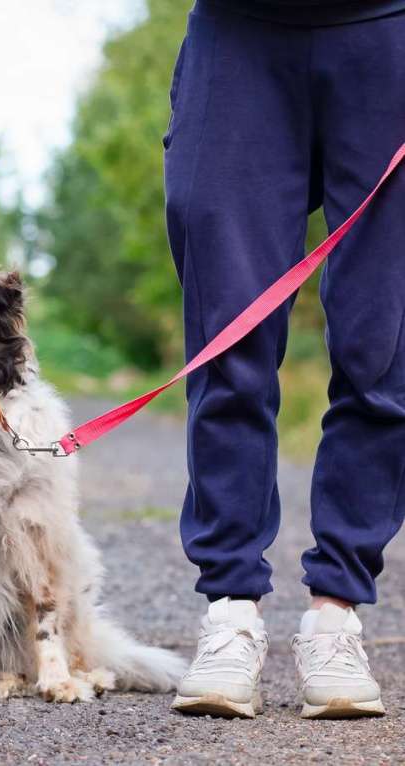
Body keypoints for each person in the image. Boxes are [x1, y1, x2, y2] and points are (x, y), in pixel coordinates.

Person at [163, 0, 405, 719]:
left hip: (385, 35)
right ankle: (230, 612)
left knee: (382, 349)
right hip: (238, 37)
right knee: (228, 341)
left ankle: (336, 617)